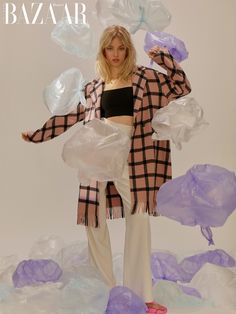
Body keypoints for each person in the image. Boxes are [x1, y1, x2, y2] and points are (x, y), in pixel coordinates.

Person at [22, 25, 191, 313]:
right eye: (110, 48)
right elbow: (69, 117)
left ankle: (141, 296)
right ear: (103, 51)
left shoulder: (145, 77)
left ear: (128, 49)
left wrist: (163, 59)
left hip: (132, 152)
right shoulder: (94, 86)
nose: (115, 54)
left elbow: (181, 86)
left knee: (138, 214)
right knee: (93, 216)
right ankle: (106, 290)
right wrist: (39, 134)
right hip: (97, 152)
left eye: (121, 47)